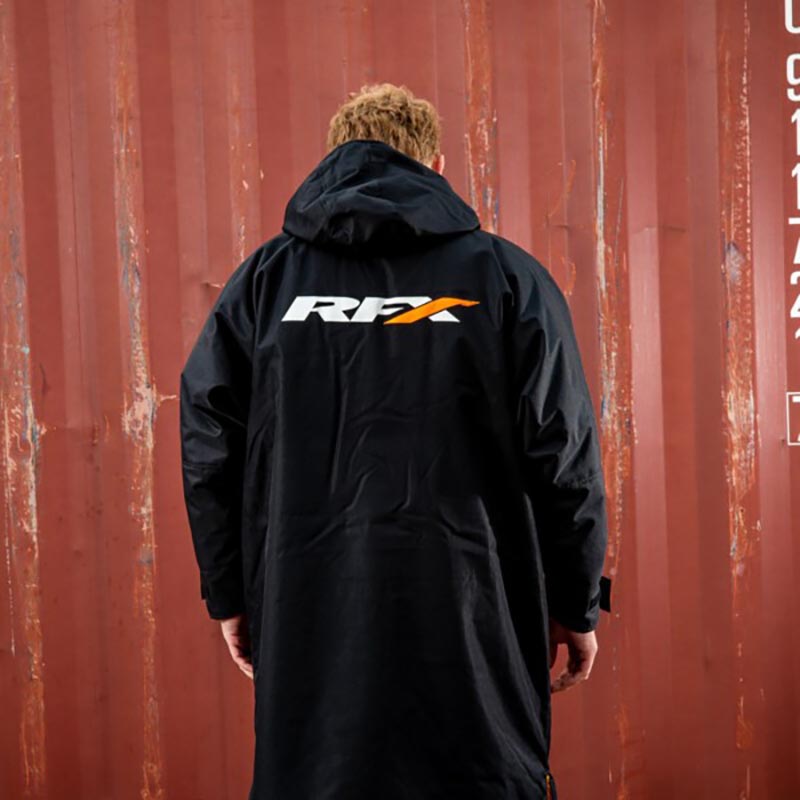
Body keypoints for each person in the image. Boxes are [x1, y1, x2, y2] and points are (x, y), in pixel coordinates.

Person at [179, 82, 611, 800]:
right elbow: (564, 452)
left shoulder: (265, 284)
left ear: (333, 160)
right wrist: (576, 602)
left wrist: (230, 594)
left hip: (309, 608)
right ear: (435, 165)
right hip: (473, 619)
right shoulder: (507, 279)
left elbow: (207, 447)